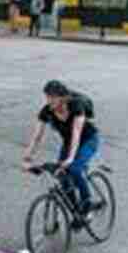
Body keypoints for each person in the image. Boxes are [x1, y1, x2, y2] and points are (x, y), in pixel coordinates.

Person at [23, 80, 101, 229]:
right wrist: (27, 158)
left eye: (53, 97)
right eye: (47, 97)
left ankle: (87, 205)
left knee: (75, 169)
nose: (49, 101)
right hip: (68, 143)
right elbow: (37, 137)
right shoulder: (47, 111)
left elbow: (76, 133)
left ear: (63, 97)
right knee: (62, 177)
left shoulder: (76, 106)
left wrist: (71, 158)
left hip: (88, 140)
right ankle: (77, 212)